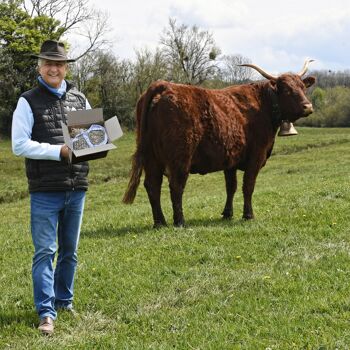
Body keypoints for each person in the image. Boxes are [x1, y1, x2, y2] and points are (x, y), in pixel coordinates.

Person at [11, 40, 91, 335]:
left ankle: (64, 302)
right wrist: (60, 151)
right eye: (48, 63)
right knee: (45, 251)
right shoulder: (27, 101)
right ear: (39, 67)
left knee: (70, 251)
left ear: (66, 67)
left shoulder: (80, 99)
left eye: (58, 63)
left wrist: (99, 143)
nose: (53, 68)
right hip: (45, 189)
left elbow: (90, 140)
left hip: (76, 186)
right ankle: (46, 313)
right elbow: (19, 145)